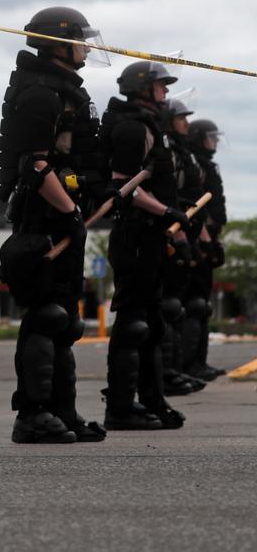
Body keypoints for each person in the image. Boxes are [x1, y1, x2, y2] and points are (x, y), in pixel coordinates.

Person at [0, 6, 108, 443]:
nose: (86, 48)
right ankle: (32, 414)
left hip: (65, 215)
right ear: (58, 44)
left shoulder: (64, 90)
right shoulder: (41, 93)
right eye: (80, 40)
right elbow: (34, 166)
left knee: (67, 322)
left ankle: (64, 413)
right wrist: (68, 213)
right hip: (42, 216)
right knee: (46, 316)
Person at [99, 61, 189, 430]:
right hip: (134, 233)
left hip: (151, 234)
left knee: (151, 323)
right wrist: (166, 211)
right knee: (134, 324)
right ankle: (120, 408)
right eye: (161, 86)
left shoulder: (150, 127)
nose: (166, 92)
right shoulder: (132, 128)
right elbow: (124, 186)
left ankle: (152, 400)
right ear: (142, 88)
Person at [158, 99, 208, 395]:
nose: (186, 123)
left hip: (185, 231)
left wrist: (203, 239)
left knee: (185, 307)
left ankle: (177, 370)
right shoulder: (166, 150)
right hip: (167, 234)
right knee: (171, 307)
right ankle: (167, 374)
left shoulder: (180, 152)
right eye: (181, 118)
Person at [184, 119, 228, 381]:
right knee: (194, 305)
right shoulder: (195, 163)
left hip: (209, 236)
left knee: (202, 305)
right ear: (199, 138)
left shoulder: (205, 163)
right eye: (211, 137)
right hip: (198, 237)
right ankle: (189, 364)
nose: (215, 142)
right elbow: (197, 206)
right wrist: (205, 239)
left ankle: (199, 362)